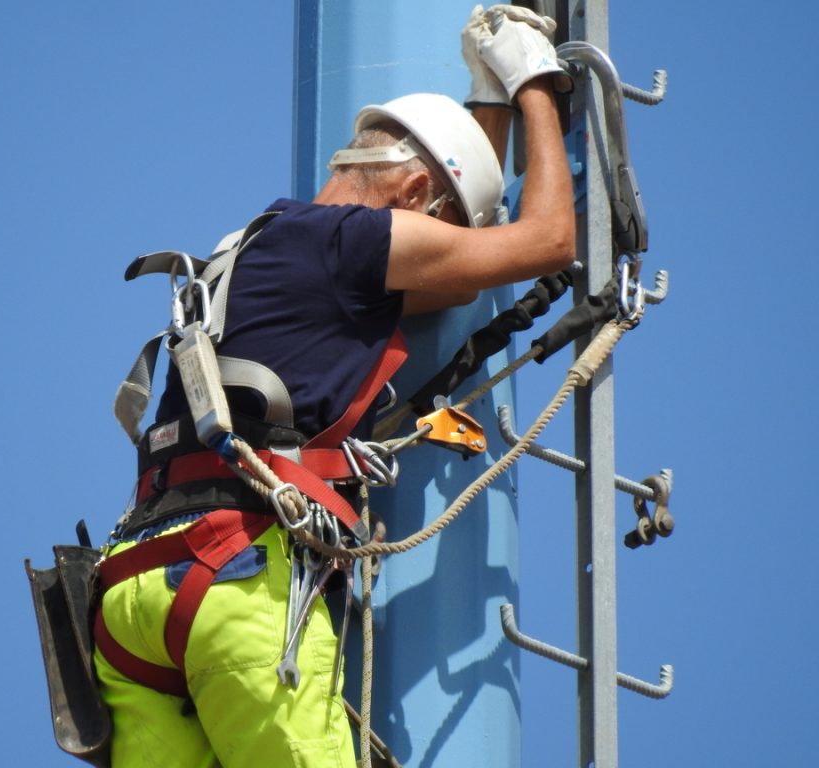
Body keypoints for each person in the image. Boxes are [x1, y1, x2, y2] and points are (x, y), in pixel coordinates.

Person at [93, 5, 575, 767]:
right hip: (235, 586)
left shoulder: (254, 250)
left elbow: (452, 283)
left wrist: (486, 97)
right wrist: (533, 83)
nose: (446, 248)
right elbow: (547, 241)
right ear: (415, 195)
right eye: (444, 223)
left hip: (130, 594)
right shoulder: (349, 244)